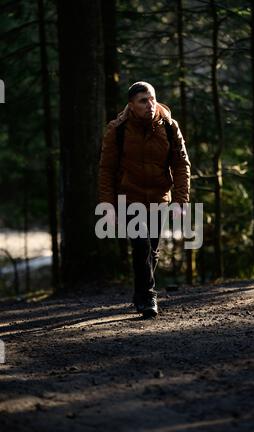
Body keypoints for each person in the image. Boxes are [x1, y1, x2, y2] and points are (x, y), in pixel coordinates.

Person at [98, 81, 191, 319]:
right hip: (129, 197)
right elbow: (106, 169)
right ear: (131, 105)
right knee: (140, 245)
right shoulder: (117, 129)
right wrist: (107, 204)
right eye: (143, 101)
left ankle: (140, 294)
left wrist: (181, 200)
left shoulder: (169, 126)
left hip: (159, 197)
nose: (150, 105)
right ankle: (149, 296)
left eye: (152, 99)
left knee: (152, 249)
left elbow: (181, 164)